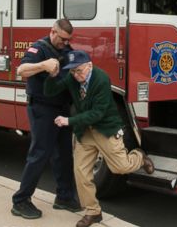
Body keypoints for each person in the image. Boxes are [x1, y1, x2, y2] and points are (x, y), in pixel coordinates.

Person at [45, 50, 155, 227]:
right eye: (72, 71)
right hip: (84, 133)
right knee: (81, 174)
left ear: (90, 65)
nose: (76, 75)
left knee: (121, 167)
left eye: (79, 70)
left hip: (105, 129)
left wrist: (68, 121)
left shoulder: (101, 78)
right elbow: (50, 91)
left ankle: (139, 156)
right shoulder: (73, 77)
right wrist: (52, 76)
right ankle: (93, 212)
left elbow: (98, 113)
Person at [10, 18, 82, 219]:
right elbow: (20, 70)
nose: (65, 43)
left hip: (62, 108)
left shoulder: (66, 49)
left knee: (64, 154)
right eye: (63, 39)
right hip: (42, 108)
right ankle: (21, 201)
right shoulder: (38, 49)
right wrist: (43, 65)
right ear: (53, 32)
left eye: (69, 39)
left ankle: (64, 197)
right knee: (40, 154)